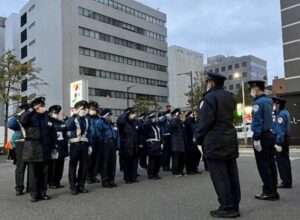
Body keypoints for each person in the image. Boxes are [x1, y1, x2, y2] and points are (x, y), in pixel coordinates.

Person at [195, 72, 240, 218]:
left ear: (212, 83)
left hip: (215, 141)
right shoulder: (229, 97)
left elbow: (204, 122)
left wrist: (198, 139)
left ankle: (226, 207)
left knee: (220, 176)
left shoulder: (208, 98)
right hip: (230, 139)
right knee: (232, 173)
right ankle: (234, 205)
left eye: (207, 82)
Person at [19, 97, 56, 202]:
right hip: (33, 149)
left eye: (43, 105)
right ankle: (34, 194)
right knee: (33, 174)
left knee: (44, 173)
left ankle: (43, 192)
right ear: (36, 107)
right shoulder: (29, 116)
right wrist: (31, 109)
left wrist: (54, 146)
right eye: (41, 106)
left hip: (45, 148)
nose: (43, 107)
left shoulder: (47, 117)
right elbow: (22, 120)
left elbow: (52, 132)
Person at [248, 80, 279, 201]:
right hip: (270, 135)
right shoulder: (268, 101)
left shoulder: (258, 103)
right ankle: (274, 191)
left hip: (262, 137)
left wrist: (256, 139)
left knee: (263, 165)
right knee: (271, 164)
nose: (251, 91)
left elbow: (257, 122)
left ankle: (268, 191)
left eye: (252, 88)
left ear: (256, 88)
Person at [65, 100, 91, 195]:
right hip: (74, 146)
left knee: (83, 167)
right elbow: (67, 126)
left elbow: (90, 133)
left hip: (84, 146)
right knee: (73, 167)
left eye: (85, 109)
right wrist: (74, 115)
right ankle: (73, 186)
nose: (84, 110)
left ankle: (81, 185)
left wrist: (90, 145)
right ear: (77, 109)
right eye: (82, 109)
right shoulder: (74, 118)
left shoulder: (87, 119)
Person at [7, 103, 30, 196]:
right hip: (20, 143)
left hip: (31, 143)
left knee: (32, 167)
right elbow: (10, 124)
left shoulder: (32, 117)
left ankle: (30, 186)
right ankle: (19, 188)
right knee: (21, 167)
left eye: (26, 109)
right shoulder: (17, 118)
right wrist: (19, 115)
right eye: (23, 109)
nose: (24, 110)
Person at [272, 97, 292, 188]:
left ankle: (286, 181)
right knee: (285, 160)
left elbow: (280, 131)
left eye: (275, 104)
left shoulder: (280, 115)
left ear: (278, 105)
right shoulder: (285, 112)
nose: (274, 106)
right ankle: (287, 180)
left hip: (281, 139)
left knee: (282, 161)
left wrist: (278, 143)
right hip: (286, 138)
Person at [47, 105, 69, 189]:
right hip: (53, 147)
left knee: (60, 166)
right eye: (55, 113)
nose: (57, 114)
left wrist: (67, 119)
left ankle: (57, 181)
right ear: (50, 113)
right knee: (53, 166)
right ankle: (51, 182)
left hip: (62, 147)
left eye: (58, 113)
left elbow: (68, 127)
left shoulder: (61, 123)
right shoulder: (49, 122)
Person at [97, 109, 118, 188]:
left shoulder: (112, 124)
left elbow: (117, 134)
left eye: (110, 115)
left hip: (113, 144)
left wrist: (117, 146)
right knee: (105, 163)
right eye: (108, 115)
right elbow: (98, 128)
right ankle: (105, 181)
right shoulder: (101, 122)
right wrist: (102, 118)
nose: (110, 117)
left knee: (112, 163)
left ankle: (111, 180)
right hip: (105, 143)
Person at [117, 108, 139, 184]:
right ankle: (127, 178)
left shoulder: (134, 122)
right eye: (132, 113)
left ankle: (134, 177)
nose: (134, 115)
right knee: (127, 163)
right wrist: (126, 114)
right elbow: (120, 120)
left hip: (134, 145)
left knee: (134, 163)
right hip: (126, 145)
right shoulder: (123, 123)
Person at [86, 101, 102, 184]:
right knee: (89, 160)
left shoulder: (98, 118)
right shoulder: (85, 118)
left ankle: (93, 176)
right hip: (89, 141)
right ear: (88, 109)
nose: (94, 110)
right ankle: (88, 176)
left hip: (98, 141)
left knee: (96, 159)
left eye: (95, 109)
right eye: (92, 109)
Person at [143, 112, 162, 180]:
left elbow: (160, 133)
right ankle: (150, 175)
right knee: (152, 161)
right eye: (152, 117)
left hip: (158, 143)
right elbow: (145, 124)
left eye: (154, 117)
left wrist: (161, 142)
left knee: (158, 160)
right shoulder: (148, 125)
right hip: (151, 144)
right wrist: (149, 118)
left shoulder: (157, 125)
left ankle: (156, 174)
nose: (154, 118)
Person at [170, 108, 186, 177]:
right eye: (179, 113)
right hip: (176, 142)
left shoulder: (179, 121)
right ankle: (175, 171)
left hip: (181, 142)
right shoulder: (174, 120)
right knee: (176, 158)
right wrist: (175, 117)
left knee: (181, 158)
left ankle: (180, 170)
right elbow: (173, 125)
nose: (180, 115)